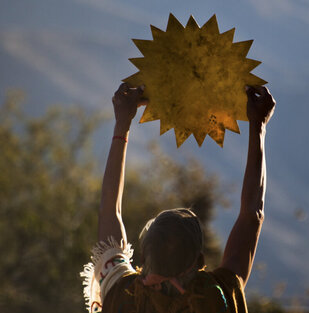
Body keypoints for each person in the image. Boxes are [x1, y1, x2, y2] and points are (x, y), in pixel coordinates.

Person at [81, 82, 276, 313]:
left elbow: (108, 210)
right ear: (200, 262)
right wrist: (258, 127)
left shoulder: (123, 294)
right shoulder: (216, 296)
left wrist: (122, 123)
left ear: (143, 257)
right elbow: (253, 214)